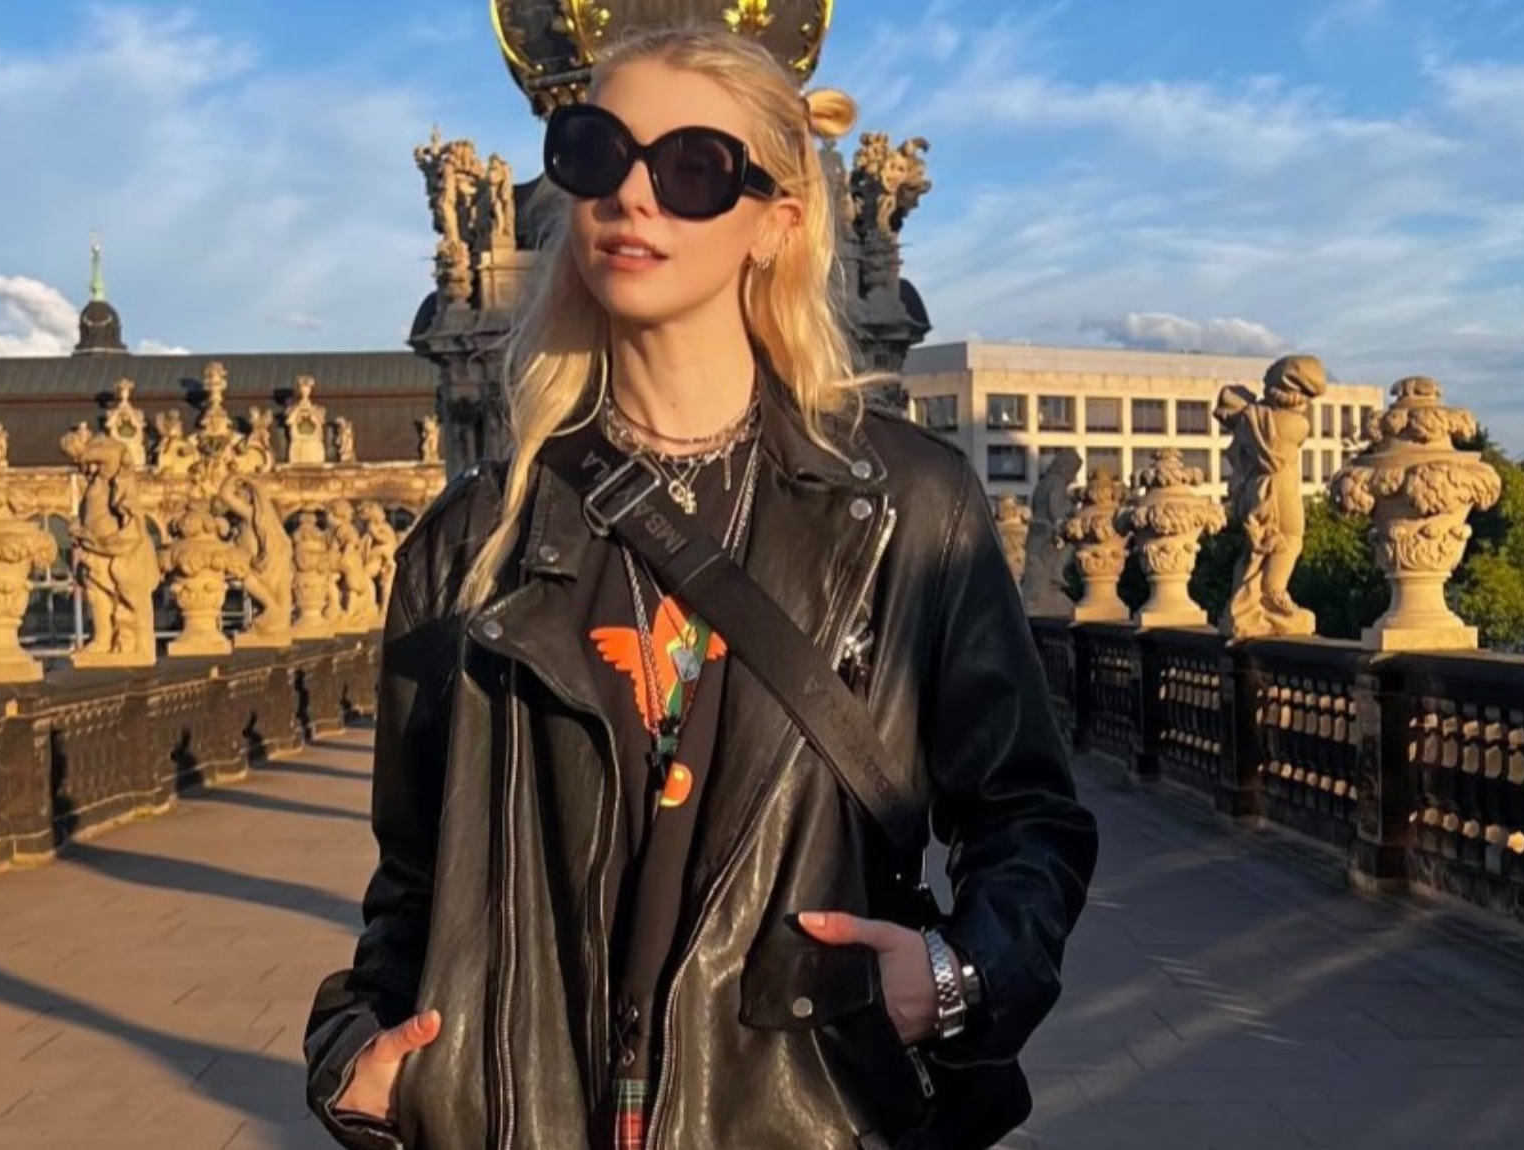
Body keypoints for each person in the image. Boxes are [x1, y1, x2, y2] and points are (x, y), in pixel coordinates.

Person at [302, 24, 1097, 1150]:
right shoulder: (470, 541)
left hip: (807, 1112)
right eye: (594, 151)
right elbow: (415, 887)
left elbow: (1028, 818)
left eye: (691, 168)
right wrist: (356, 1060)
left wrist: (960, 975)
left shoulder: (910, 509)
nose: (633, 195)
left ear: (777, 223)